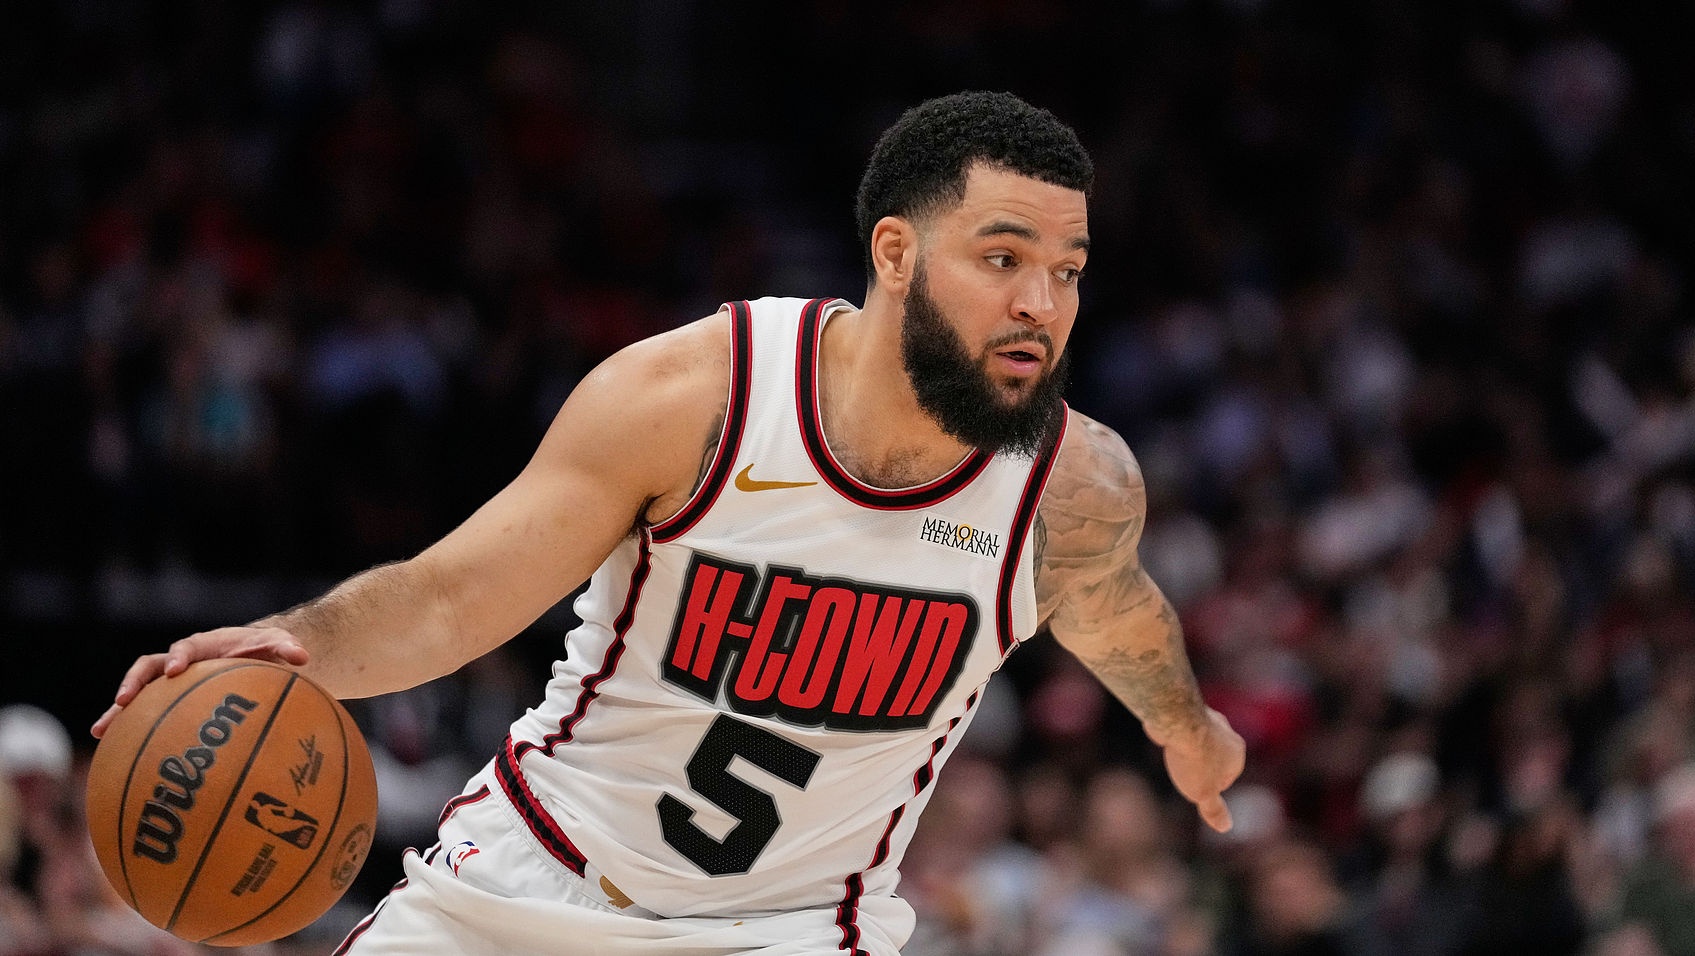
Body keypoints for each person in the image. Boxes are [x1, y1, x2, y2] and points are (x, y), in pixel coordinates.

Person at [93, 90, 1245, 956]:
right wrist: (292, 643)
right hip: (533, 884)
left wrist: (1185, 728)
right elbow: (450, 598)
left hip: (792, 929)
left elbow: (1115, 613)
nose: (1039, 303)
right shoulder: (694, 396)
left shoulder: (1071, 485)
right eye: (1002, 257)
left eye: (1067, 270)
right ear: (895, 253)